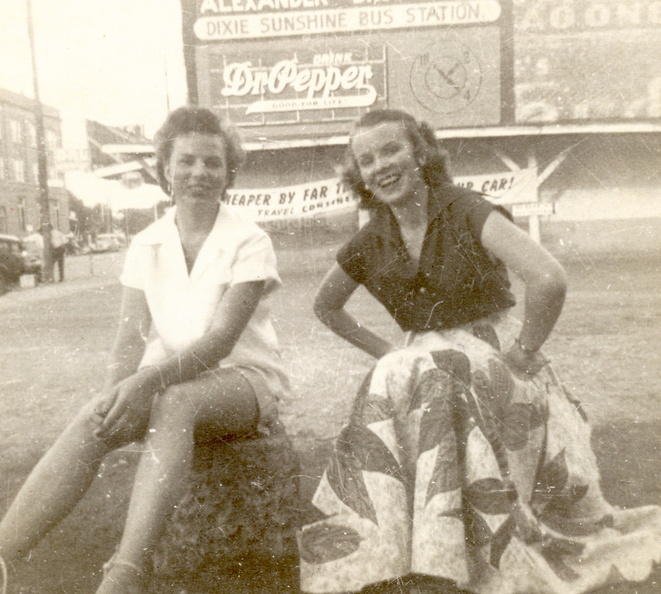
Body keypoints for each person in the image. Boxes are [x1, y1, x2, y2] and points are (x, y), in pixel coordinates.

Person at [298, 109, 661, 594]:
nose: (380, 165)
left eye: (391, 150)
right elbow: (326, 307)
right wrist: (386, 352)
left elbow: (548, 278)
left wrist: (524, 353)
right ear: (358, 174)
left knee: (424, 373)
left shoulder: (465, 208)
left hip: (496, 362)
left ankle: (458, 555)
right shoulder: (372, 238)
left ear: (420, 153)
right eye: (367, 160)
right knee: (403, 373)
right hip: (421, 370)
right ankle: (403, 556)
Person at [0, 106, 290, 593]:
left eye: (213, 162)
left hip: (245, 382)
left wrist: (145, 382)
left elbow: (220, 342)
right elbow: (129, 338)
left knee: (176, 402)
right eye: (186, 161)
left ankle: (126, 573)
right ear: (165, 170)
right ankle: (4, 555)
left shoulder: (248, 239)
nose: (199, 172)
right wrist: (113, 400)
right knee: (95, 416)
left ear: (229, 172)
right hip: (175, 378)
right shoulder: (147, 243)